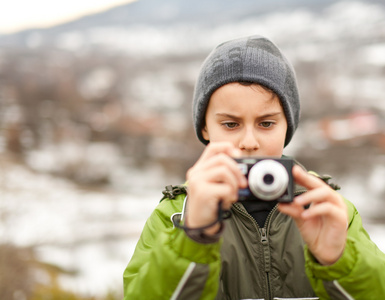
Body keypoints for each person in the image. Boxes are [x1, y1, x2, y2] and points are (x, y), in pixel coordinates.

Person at [123, 35, 385, 299]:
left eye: (266, 124)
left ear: (287, 127)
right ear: (205, 127)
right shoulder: (176, 215)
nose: (249, 142)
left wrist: (339, 262)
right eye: (231, 124)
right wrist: (194, 239)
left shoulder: (326, 208)